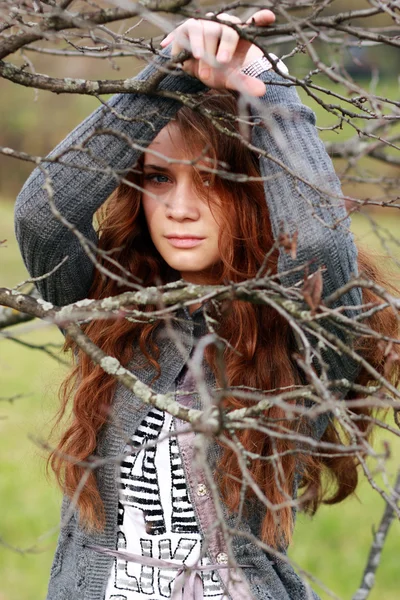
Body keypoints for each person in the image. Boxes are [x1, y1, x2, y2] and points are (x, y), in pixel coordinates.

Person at [14, 10, 398, 600]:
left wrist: (265, 82)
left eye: (213, 179)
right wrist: (170, 72)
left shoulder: (298, 331)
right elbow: (42, 213)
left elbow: (319, 245)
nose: (181, 208)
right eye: (159, 179)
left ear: (256, 192)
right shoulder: (115, 308)